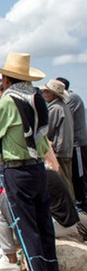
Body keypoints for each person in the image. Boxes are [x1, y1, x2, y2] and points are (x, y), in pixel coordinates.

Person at [0, 52, 57, 271]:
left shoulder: (9, 100)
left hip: (17, 169)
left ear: (6, 79)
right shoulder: (37, 98)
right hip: (37, 167)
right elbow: (41, 137)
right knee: (44, 226)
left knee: (26, 229)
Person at [0, 167, 81, 271]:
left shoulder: (28, 178)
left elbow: (15, 206)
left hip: (58, 223)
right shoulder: (42, 171)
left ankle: (10, 258)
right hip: (66, 221)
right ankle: (10, 248)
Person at [55, 77, 87, 212]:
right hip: (72, 144)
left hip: (77, 143)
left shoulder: (71, 98)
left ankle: (82, 204)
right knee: (73, 175)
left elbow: (62, 113)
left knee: (79, 175)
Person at [40, 79, 75, 200]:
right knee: (67, 181)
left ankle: (68, 210)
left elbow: (46, 131)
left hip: (59, 151)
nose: (44, 94)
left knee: (62, 183)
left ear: (53, 94)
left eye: (46, 91)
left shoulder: (55, 109)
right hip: (67, 150)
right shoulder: (64, 107)